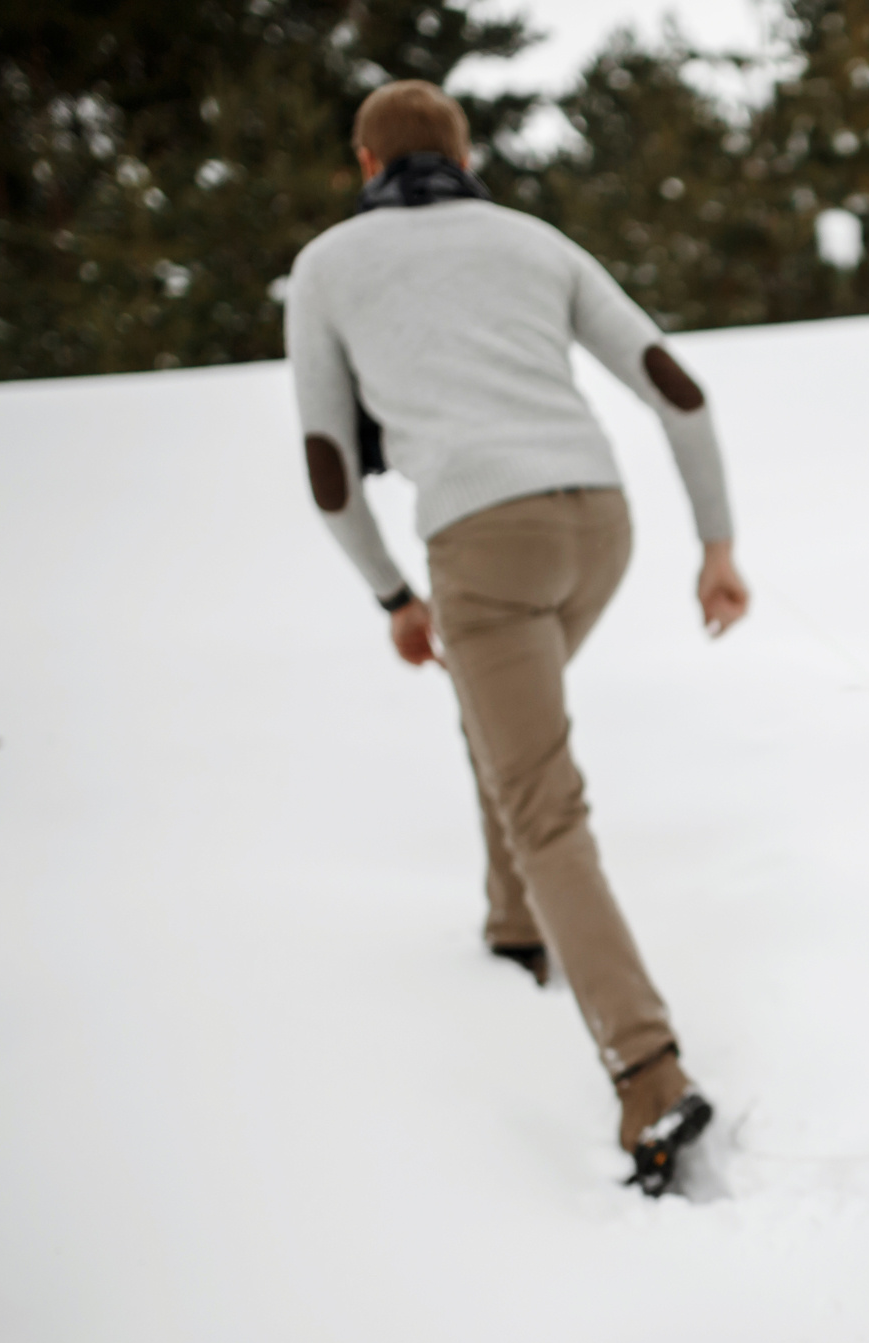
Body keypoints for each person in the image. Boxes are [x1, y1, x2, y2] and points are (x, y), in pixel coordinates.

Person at [285, 80, 746, 1196]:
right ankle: (510, 933)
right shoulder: (534, 240)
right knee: (505, 731)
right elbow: (676, 391)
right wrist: (716, 546)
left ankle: (647, 1074)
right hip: (600, 525)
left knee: (544, 801)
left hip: (481, 547)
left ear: (364, 163)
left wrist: (393, 592)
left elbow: (329, 468)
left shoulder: (327, 268)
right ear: (466, 150)